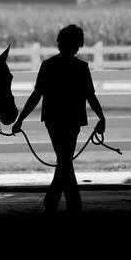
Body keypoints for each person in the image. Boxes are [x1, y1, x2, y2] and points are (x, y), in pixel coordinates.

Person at [12, 24, 106, 213]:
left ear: (60, 43)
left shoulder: (48, 66)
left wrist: (21, 119)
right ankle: (69, 201)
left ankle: (55, 199)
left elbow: (36, 95)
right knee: (65, 159)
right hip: (73, 119)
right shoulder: (81, 67)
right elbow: (90, 96)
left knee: (64, 158)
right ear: (77, 45)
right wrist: (101, 117)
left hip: (53, 119)